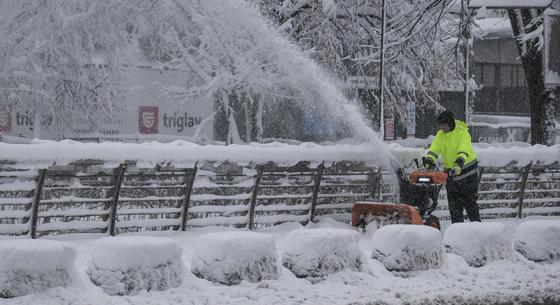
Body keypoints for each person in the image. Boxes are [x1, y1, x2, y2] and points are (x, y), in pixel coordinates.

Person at [422, 110, 481, 223]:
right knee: (454, 209)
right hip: (452, 175)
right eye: (440, 125)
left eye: (444, 124)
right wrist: (429, 160)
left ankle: (477, 231)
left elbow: (464, 149)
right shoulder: (441, 135)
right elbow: (434, 149)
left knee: (470, 206)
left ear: (450, 123)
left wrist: (459, 163)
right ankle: (457, 233)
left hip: (468, 175)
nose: (441, 127)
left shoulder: (463, 134)